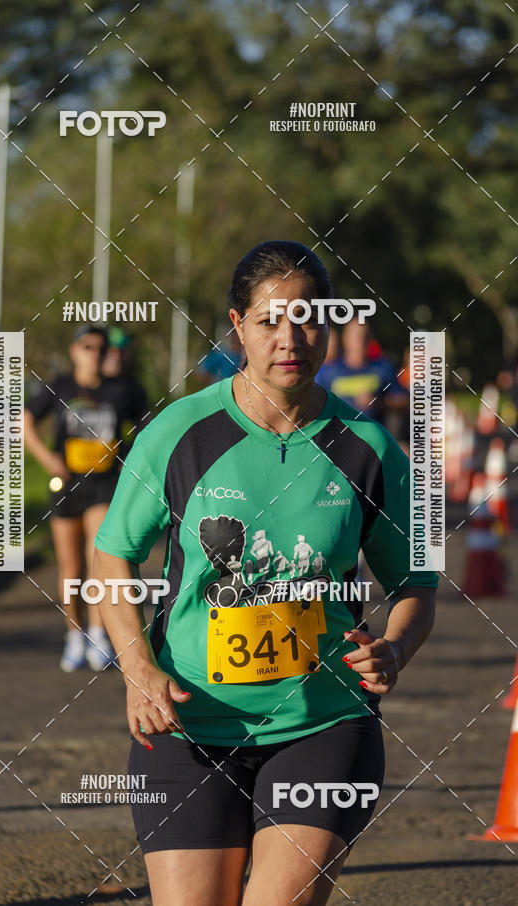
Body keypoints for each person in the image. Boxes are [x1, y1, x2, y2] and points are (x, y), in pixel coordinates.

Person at [93, 241, 438, 906]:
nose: (290, 339)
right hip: (187, 729)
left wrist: (396, 647)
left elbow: (416, 586)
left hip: (324, 726)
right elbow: (113, 555)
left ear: (331, 326)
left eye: (308, 319)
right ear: (237, 326)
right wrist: (139, 672)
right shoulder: (180, 433)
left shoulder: (369, 449)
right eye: (269, 321)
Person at [23, 323, 148, 672]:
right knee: (71, 568)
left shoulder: (124, 390)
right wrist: (49, 460)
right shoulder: (60, 387)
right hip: (66, 486)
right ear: (74, 351)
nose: (96, 353)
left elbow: (149, 429)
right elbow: (24, 421)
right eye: (88, 347)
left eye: (101, 347)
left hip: (105, 486)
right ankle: (74, 636)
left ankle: (98, 635)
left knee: (98, 561)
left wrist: (131, 461)